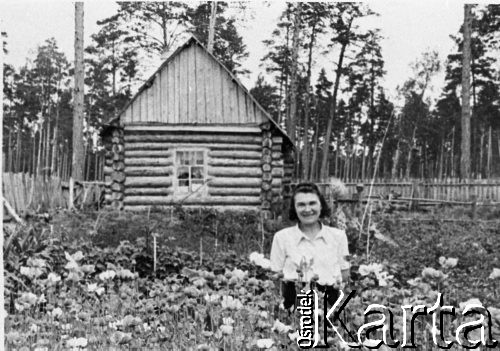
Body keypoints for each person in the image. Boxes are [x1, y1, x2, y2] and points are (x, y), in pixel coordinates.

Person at [270, 182, 350, 309]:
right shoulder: (282, 238)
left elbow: (345, 275)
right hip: (294, 306)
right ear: (294, 208)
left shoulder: (338, 237)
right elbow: (275, 278)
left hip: (329, 307)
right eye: (301, 205)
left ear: (321, 205)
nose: (307, 209)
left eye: (312, 203)